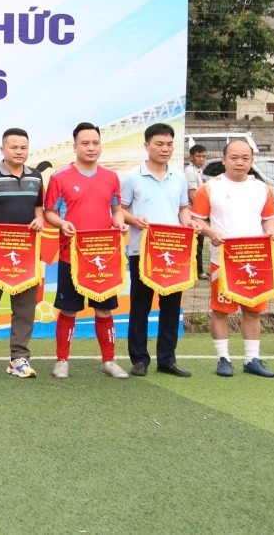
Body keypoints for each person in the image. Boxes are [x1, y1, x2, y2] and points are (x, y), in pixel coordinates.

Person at [43, 122, 129, 379]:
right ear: (75, 147)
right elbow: (49, 213)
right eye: (85, 143)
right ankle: (62, 361)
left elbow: (116, 210)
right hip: (71, 255)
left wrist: (120, 223)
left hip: (103, 257)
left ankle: (109, 361)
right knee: (68, 309)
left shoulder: (111, 177)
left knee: (105, 309)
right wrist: (62, 223)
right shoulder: (60, 178)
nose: (91, 148)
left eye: (95, 143)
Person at [191, 140, 274, 378]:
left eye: (245, 158)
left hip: (254, 260)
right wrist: (211, 233)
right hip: (222, 260)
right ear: (224, 159)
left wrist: (271, 231)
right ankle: (223, 358)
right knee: (220, 310)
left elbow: (270, 219)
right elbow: (197, 220)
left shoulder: (262, 189)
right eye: (234, 158)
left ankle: (252, 359)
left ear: (252, 161)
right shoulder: (209, 188)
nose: (240, 162)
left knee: (253, 310)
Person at [120, 123, 195, 378]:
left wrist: (188, 223)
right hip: (142, 251)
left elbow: (183, 208)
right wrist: (134, 220)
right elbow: (119, 210)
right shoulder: (132, 177)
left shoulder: (179, 177)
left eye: (169, 144)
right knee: (140, 306)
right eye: (159, 144)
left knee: (171, 307)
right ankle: (139, 359)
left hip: (173, 252)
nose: (165, 149)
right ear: (147, 145)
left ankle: (167, 359)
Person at [0, 127, 45, 379]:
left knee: (25, 308)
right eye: (14, 147)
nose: (19, 152)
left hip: (26, 252)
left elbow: (38, 208)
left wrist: (39, 220)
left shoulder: (36, 177)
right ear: (2, 149)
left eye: (23, 147)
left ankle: (19, 359)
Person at [185, 145, 209, 280]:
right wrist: (203, 213)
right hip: (192, 214)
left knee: (198, 243)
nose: (201, 159)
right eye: (198, 156)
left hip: (197, 213)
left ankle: (197, 271)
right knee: (196, 244)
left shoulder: (198, 171)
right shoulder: (190, 172)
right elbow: (192, 195)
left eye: (203, 156)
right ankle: (198, 272)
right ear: (191, 157)